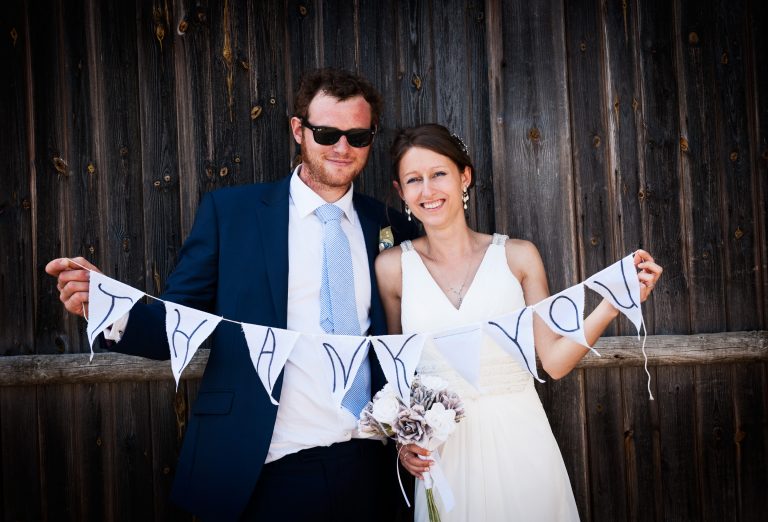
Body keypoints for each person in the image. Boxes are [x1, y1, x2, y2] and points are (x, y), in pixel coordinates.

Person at [46, 68, 417, 521]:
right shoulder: (232, 214)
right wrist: (105, 306)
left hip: (373, 465)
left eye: (357, 136)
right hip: (266, 465)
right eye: (327, 133)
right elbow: (175, 324)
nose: (342, 148)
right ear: (298, 130)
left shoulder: (391, 226)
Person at [375, 123, 663, 521]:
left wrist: (613, 303)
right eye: (414, 179)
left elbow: (555, 361)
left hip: (521, 440)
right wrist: (403, 443)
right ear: (401, 191)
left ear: (465, 176)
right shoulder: (393, 269)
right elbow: (397, 373)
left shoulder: (518, 256)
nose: (428, 190)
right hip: (445, 456)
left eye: (439, 173)